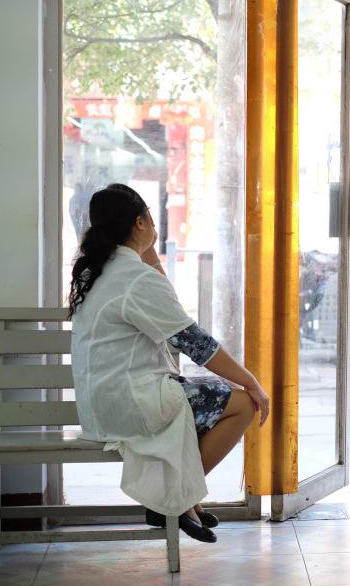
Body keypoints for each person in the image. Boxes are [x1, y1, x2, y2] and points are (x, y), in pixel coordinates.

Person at [68, 184, 270, 544]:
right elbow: (195, 343)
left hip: (102, 403)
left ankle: (182, 500)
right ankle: (174, 500)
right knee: (241, 405)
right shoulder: (134, 279)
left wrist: (150, 256)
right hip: (134, 403)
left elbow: (166, 308)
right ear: (140, 223)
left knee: (204, 400)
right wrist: (251, 381)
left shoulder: (95, 273)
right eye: (150, 217)